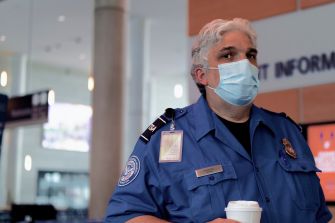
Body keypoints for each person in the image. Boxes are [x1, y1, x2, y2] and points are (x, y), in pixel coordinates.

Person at [104, 18, 332, 223]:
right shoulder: (166, 139)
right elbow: (123, 217)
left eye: (250, 55)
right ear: (201, 75)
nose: (245, 64)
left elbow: (320, 216)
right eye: (228, 55)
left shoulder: (287, 132)